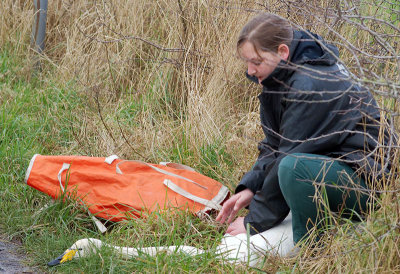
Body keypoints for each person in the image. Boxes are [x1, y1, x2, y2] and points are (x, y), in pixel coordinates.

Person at [216, 13, 392, 244]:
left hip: (369, 186)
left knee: (293, 168)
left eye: (256, 62)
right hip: (338, 167)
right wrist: (250, 187)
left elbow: (287, 155)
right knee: (291, 167)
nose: (249, 70)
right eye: (247, 62)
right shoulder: (283, 75)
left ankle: (311, 245)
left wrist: (254, 222)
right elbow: (274, 144)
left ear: (282, 52)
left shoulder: (308, 86)